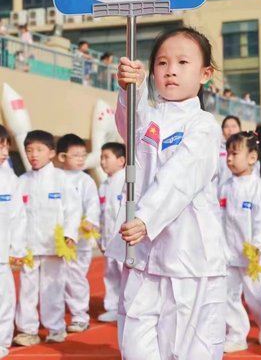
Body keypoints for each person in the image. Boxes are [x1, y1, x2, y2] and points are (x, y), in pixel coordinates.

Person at [106, 27, 226, 360]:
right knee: (135, 343)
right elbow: (130, 121)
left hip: (190, 257)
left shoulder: (203, 125)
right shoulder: (150, 119)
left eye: (183, 62)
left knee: (189, 351)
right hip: (144, 256)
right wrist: (130, 87)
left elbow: (181, 175)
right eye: (161, 62)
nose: (170, 70)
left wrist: (145, 217)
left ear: (205, 74)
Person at [13, 130, 82, 346]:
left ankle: (55, 328)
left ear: (51, 152)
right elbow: (16, 215)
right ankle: (28, 330)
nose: (33, 154)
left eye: (39, 150)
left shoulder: (62, 179)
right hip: (29, 248)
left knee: (52, 289)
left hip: (54, 247)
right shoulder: (21, 181)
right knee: (27, 291)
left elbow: (73, 209)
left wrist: (70, 234)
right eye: (29, 150)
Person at [219, 132, 261, 353]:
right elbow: (218, 218)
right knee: (228, 295)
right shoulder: (224, 187)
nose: (229, 159)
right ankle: (236, 334)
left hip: (254, 256)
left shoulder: (259, 188)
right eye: (227, 154)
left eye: (234, 153)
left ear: (252, 157)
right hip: (228, 254)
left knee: (257, 296)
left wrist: (258, 245)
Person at [57, 134, 100, 333]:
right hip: (58, 240)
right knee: (58, 278)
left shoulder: (86, 180)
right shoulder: (55, 178)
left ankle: (80, 315)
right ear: (62, 157)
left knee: (76, 277)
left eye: (84, 155)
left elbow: (93, 204)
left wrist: (90, 220)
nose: (81, 159)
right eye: (76, 155)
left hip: (80, 240)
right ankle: (55, 319)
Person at [0, 125, 27, 359]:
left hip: (1, 255)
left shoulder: (10, 180)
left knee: (3, 300)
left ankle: (1, 342)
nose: (4, 152)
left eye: (6, 146)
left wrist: (17, 248)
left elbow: (19, 216)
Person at [98, 142, 126, 323]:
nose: (102, 161)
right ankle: (112, 307)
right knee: (111, 274)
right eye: (101, 157)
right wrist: (101, 239)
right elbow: (102, 215)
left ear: (122, 160)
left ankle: (128, 308)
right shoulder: (103, 185)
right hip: (108, 239)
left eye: (106, 157)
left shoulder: (127, 182)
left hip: (124, 239)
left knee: (126, 274)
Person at [217, 116, 241, 193]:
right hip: (219, 194)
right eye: (226, 127)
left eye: (234, 126)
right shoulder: (217, 150)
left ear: (240, 129)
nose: (230, 130)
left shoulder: (245, 150)